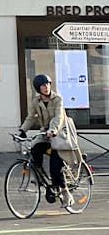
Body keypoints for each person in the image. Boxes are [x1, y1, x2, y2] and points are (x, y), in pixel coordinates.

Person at [19, 73, 73, 207]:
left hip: (59, 136)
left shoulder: (57, 100)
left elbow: (59, 118)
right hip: (46, 135)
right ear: (38, 88)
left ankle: (66, 193)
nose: (46, 87)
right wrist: (22, 130)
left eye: (48, 84)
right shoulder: (36, 102)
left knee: (55, 167)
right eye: (43, 85)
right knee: (35, 151)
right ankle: (39, 178)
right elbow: (31, 118)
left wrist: (53, 130)